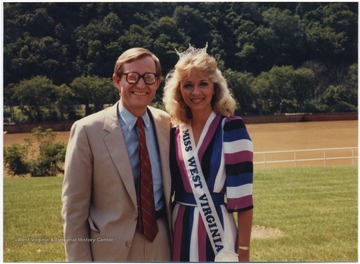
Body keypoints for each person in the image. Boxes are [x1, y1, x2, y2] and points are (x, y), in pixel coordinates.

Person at [61, 47, 172, 262]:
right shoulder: (87, 130)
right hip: (110, 251)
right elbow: (74, 211)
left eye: (149, 77)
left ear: (157, 83)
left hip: (162, 245)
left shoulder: (166, 124)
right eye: (132, 77)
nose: (141, 85)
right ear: (116, 80)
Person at [163, 44, 253, 262]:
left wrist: (244, 250)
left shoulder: (231, 128)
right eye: (188, 85)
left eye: (203, 84)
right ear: (179, 91)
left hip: (218, 231)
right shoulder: (174, 131)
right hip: (179, 229)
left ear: (215, 87)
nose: (195, 92)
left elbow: (243, 198)